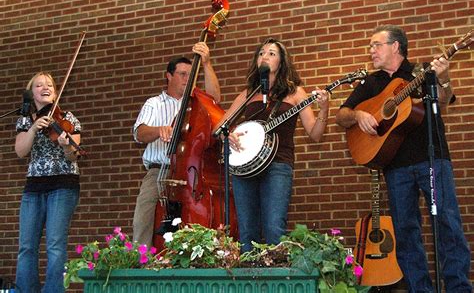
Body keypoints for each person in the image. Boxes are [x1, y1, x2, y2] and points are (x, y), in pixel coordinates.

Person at [335, 25, 472, 292]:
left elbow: (444, 100)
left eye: (377, 45)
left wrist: (443, 78)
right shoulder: (371, 83)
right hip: (395, 166)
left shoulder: (421, 71)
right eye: (371, 46)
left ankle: (458, 288)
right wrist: (359, 116)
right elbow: (342, 115)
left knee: (447, 223)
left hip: (431, 158)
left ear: (395, 46)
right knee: (406, 233)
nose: (371, 50)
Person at [221, 37, 329, 252]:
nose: (265, 56)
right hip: (244, 169)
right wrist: (228, 135)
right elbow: (220, 126)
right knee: (247, 232)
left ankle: (275, 281)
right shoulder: (248, 94)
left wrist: (324, 109)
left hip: (278, 165)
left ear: (282, 61)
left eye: (272, 53)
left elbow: (315, 134)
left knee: (273, 228)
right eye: (261, 53)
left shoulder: (296, 93)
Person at [132, 42, 221, 247]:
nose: (186, 79)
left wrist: (206, 64)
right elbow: (139, 133)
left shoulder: (196, 102)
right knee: (143, 217)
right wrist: (159, 130)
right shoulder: (154, 103)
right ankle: (140, 261)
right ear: (169, 76)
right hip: (160, 172)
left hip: (190, 174)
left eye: (190, 75)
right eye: (182, 74)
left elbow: (215, 98)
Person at [15, 72, 82, 293]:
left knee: (55, 245)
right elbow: (20, 151)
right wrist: (33, 128)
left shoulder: (68, 118)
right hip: (34, 186)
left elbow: (73, 155)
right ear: (31, 92)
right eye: (39, 85)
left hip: (63, 185)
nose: (46, 88)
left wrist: (65, 145)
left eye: (50, 85)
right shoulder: (25, 120)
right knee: (26, 246)